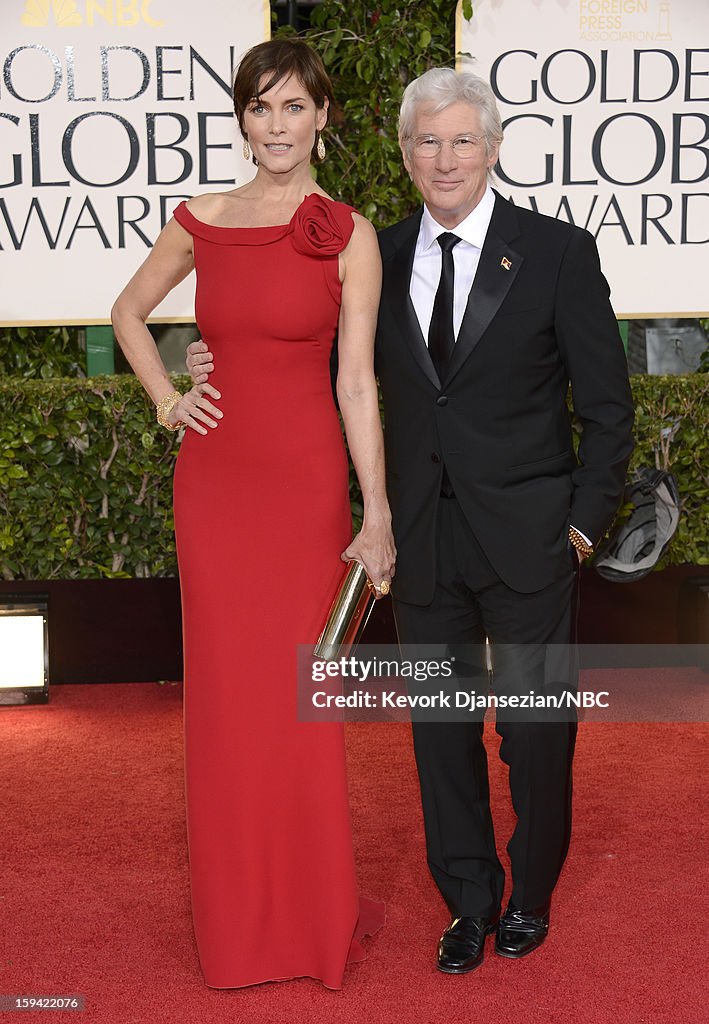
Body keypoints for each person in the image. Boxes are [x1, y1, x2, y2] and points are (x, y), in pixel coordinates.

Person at [187, 67, 634, 975]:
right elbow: (325, 375)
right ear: (401, 151)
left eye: (463, 139)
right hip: (419, 546)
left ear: (495, 147)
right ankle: (468, 904)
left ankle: (531, 892)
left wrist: (582, 530)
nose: (444, 157)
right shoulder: (374, 254)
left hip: (531, 543)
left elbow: (608, 407)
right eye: (425, 140)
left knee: (535, 733)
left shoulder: (555, 252)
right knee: (440, 737)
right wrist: (209, 358)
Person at [112, 39, 395, 990]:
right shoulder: (200, 219)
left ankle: (312, 925)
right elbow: (126, 312)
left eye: (294, 108)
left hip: (306, 490)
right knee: (230, 703)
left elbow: (357, 382)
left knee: (302, 702)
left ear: (324, 118)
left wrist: (377, 512)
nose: (276, 126)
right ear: (242, 119)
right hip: (218, 488)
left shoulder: (347, 233)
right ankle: (238, 932)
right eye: (260, 108)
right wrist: (165, 394)